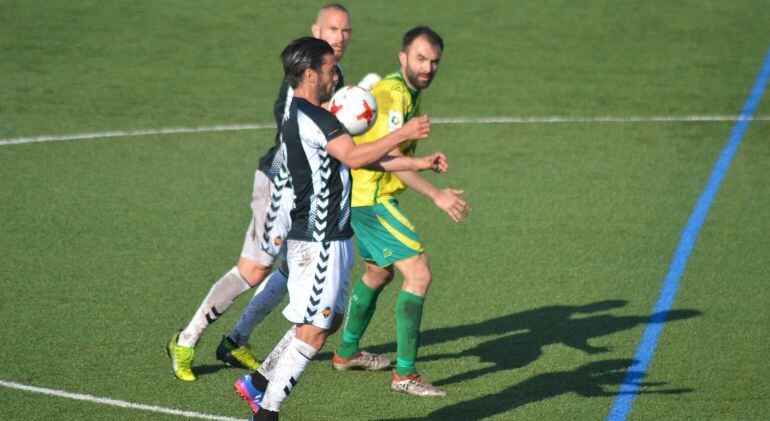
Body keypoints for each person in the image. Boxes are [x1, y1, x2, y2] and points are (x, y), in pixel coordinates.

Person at [233, 36, 447, 420]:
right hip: (320, 242)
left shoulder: (304, 113)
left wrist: (417, 164)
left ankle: (260, 382)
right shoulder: (315, 117)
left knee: (324, 324)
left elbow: (355, 162)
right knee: (314, 332)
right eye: (331, 70)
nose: (337, 77)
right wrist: (402, 134)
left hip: (325, 239)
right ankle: (266, 413)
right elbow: (352, 154)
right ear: (311, 74)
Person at [165, 3, 352, 382]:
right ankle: (186, 340)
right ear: (315, 31)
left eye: (346, 31)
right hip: (280, 185)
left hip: (310, 191)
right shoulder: (300, 82)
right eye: (333, 29)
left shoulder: (335, 76)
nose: (340, 37)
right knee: (254, 268)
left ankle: (237, 340)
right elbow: (294, 138)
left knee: (293, 266)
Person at [331, 26, 469, 397]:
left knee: (378, 273)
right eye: (421, 58)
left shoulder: (406, 91)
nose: (428, 67)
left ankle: (346, 353)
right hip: (370, 198)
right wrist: (436, 195)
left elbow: (390, 153)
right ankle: (405, 375)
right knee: (419, 274)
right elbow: (383, 156)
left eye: (434, 61)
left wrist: (420, 161)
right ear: (403, 57)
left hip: (363, 195)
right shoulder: (392, 95)